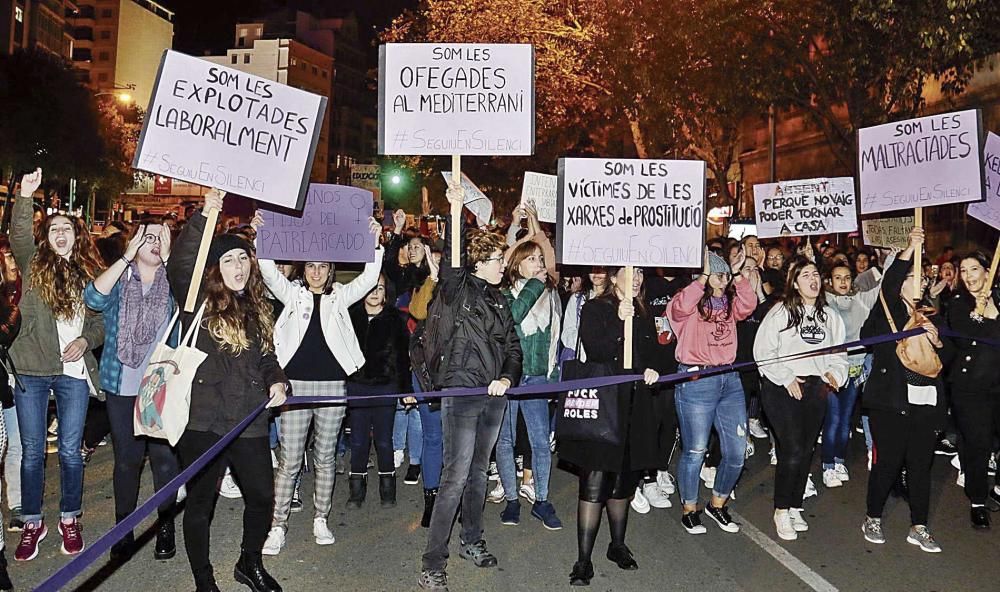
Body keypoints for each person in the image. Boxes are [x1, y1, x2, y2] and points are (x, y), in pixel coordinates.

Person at [167, 190, 288, 592]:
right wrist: (206, 214)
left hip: (249, 417)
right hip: (202, 422)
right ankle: (204, 580)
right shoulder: (197, 300)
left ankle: (248, 562)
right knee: (200, 505)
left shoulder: (258, 305)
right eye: (228, 259)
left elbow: (267, 356)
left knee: (262, 497)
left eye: (243, 258)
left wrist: (277, 380)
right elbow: (183, 263)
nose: (238, 266)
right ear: (216, 268)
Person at [253, 212, 384, 555]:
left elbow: (370, 276)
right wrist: (263, 237)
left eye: (322, 266)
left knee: (325, 457)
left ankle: (320, 518)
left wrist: (375, 239)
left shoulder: (339, 296)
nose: (315, 271)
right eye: (310, 265)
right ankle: (277, 525)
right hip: (293, 387)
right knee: (290, 459)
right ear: (303, 268)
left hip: (332, 388)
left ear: (330, 270)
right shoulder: (292, 295)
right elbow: (268, 271)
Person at [418, 184, 522, 592]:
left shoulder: (500, 300)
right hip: (461, 392)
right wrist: (455, 209)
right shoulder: (457, 288)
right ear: (478, 263)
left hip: (493, 397)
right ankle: (432, 563)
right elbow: (453, 258)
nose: (503, 265)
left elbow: (513, 347)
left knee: (480, 472)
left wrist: (507, 377)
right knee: (456, 476)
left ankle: (472, 540)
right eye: (497, 259)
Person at [9, 169, 105, 562]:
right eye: (54, 230)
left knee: (69, 451)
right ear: (46, 238)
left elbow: (100, 322)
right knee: (32, 451)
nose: (61, 234)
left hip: (75, 372)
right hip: (31, 366)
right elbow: (17, 235)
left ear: (77, 235)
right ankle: (33, 521)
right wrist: (24, 197)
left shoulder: (91, 273)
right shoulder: (33, 265)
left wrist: (86, 340)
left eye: (67, 228)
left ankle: (70, 516)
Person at [558, 266, 661, 586]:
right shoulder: (595, 308)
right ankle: (583, 560)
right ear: (615, 278)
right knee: (594, 484)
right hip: (604, 406)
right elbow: (598, 350)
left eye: (642, 273)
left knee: (623, 483)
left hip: (634, 406)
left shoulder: (643, 310)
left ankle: (617, 545)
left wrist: (652, 370)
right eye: (632, 272)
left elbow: (652, 352)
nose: (639, 278)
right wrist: (620, 318)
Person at [84, 218, 180, 562]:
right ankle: (122, 530)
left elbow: (193, 302)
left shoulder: (173, 283)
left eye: (161, 238)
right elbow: (93, 297)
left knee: (164, 460)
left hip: (160, 386)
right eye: (147, 237)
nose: (154, 243)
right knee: (127, 460)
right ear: (135, 242)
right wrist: (125, 257)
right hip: (123, 385)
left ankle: (165, 526)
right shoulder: (121, 282)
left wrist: (171, 261)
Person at [861, 227, 950, 552]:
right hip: (891, 401)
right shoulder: (889, 309)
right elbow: (889, 281)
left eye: (922, 278)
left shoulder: (931, 315)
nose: (921, 282)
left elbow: (947, 357)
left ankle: (919, 526)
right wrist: (910, 249)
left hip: (926, 402)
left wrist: (938, 341)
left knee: (920, 465)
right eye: (914, 277)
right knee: (889, 462)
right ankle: (872, 516)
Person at [753, 256, 849, 541]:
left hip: (815, 388)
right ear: (795, 282)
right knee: (792, 448)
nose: (814, 279)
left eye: (817, 274)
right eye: (806, 275)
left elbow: (839, 353)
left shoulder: (829, 315)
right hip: (782, 388)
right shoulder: (781, 311)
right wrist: (786, 377)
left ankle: (795, 505)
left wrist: (835, 374)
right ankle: (781, 509)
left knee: (806, 450)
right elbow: (763, 352)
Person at [496, 238, 562, 530]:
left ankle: (542, 500)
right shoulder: (503, 294)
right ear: (517, 265)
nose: (539, 264)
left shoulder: (551, 294)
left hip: (536, 375)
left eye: (540, 258)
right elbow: (513, 317)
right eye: (532, 259)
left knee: (540, 442)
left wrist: (551, 376)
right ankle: (511, 499)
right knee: (506, 440)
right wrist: (535, 285)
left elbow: (554, 338)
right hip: (508, 377)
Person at [945, 251, 1000, 530]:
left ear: (988, 271)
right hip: (970, 388)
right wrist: (983, 317)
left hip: (997, 383)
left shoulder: (998, 298)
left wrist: (990, 314)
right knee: (979, 444)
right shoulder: (958, 302)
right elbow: (966, 338)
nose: (968, 276)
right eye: (963, 271)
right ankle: (977, 500)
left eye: (974, 269)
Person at [346, 273, 410, 508]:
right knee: (359, 441)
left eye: (380, 289)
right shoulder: (351, 317)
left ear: (386, 293)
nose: (374, 293)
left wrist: (406, 390)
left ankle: (387, 487)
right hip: (357, 386)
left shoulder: (395, 320)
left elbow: (403, 358)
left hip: (386, 387)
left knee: (384, 440)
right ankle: (356, 490)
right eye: (371, 287)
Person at [820, 257, 885, 487]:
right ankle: (827, 464)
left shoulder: (860, 299)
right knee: (833, 419)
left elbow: (884, 286)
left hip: (856, 369)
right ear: (829, 281)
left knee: (846, 419)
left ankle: (838, 461)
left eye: (847, 278)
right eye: (838, 278)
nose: (843, 282)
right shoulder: (824, 302)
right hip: (832, 371)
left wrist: (892, 259)